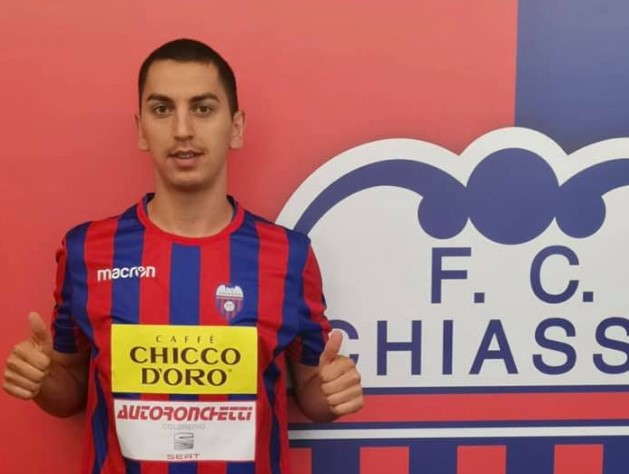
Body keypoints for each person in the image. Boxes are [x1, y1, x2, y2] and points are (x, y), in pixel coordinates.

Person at [3, 38, 363, 473]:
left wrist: (331, 393)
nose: (182, 130)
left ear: (236, 127)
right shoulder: (88, 251)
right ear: (141, 129)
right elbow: (71, 390)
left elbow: (310, 389)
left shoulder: (287, 255)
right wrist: (43, 381)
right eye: (162, 109)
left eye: (203, 108)